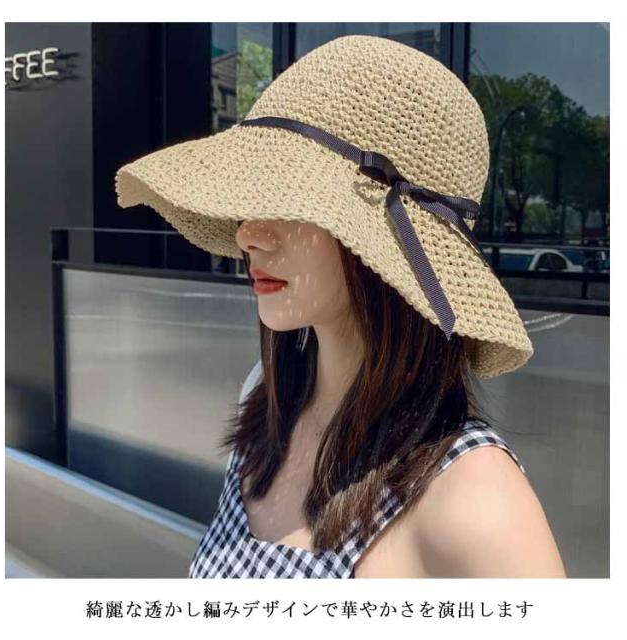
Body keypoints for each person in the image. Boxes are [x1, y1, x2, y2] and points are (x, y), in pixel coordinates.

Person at [115, 34, 567, 578]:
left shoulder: (477, 500)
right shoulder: (266, 397)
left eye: (287, 199)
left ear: (384, 242)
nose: (248, 234)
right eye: (250, 198)